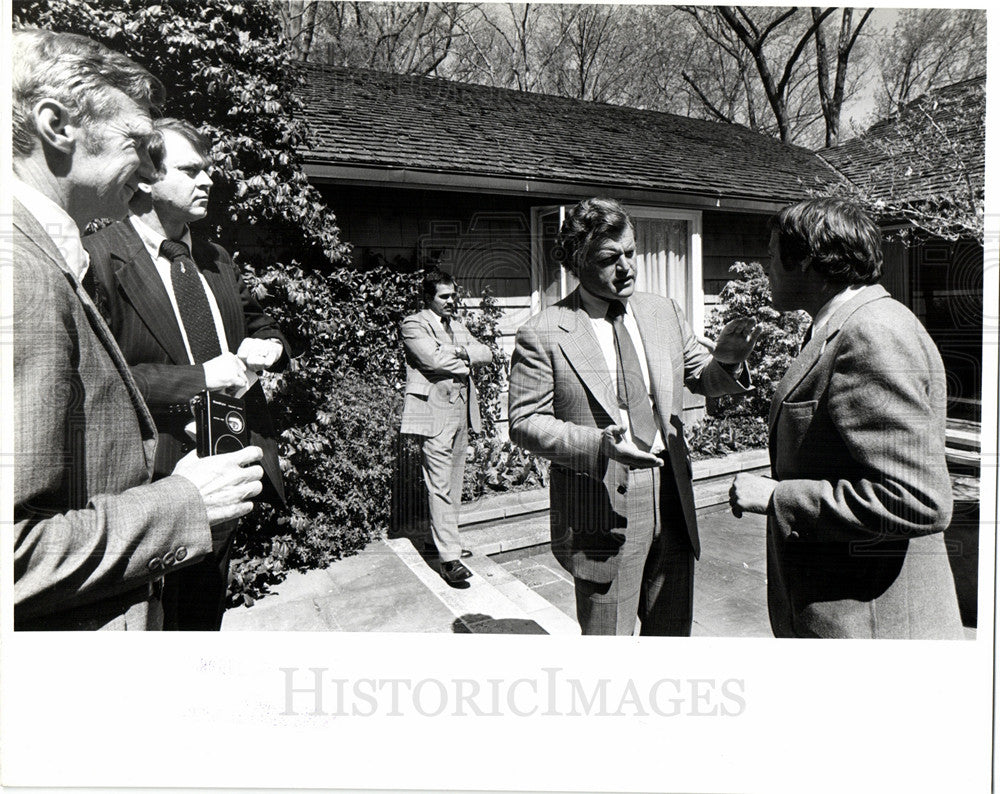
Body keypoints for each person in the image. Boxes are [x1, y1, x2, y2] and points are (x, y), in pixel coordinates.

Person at [12, 29, 264, 630]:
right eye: (138, 144)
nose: (152, 169)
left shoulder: (49, 256)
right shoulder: (22, 275)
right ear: (56, 125)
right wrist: (182, 504)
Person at [508, 198, 758, 635]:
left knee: (671, 638)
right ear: (576, 261)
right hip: (602, 502)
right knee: (610, 651)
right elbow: (525, 421)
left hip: (672, 491)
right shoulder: (545, 331)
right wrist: (598, 445)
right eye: (609, 258)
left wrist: (729, 362)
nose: (626, 267)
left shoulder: (663, 311)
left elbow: (702, 376)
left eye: (631, 252)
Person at [83, 117, 292, 630]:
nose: (209, 181)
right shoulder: (100, 260)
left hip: (230, 463)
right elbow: (103, 381)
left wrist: (267, 345)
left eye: (208, 170)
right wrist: (201, 378)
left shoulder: (214, 256)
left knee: (203, 622)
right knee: (154, 630)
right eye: (192, 170)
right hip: (156, 483)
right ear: (145, 177)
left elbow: (262, 320)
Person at [729, 197, 963, 639]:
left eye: (771, 255)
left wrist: (779, 498)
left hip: (873, 624)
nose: (766, 268)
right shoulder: (844, 322)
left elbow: (919, 499)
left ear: (806, 262)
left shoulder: (869, 332)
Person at [400, 271, 494, 584]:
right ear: (428, 298)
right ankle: (450, 559)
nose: (451, 301)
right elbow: (433, 361)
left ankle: (436, 539)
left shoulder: (456, 324)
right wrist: (464, 357)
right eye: (444, 297)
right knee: (438, 484)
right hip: (433, 412)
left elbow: (487, 352)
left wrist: (458, 350)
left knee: (452, 483)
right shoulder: (413, 324)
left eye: (453, 296)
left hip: (461, 410)